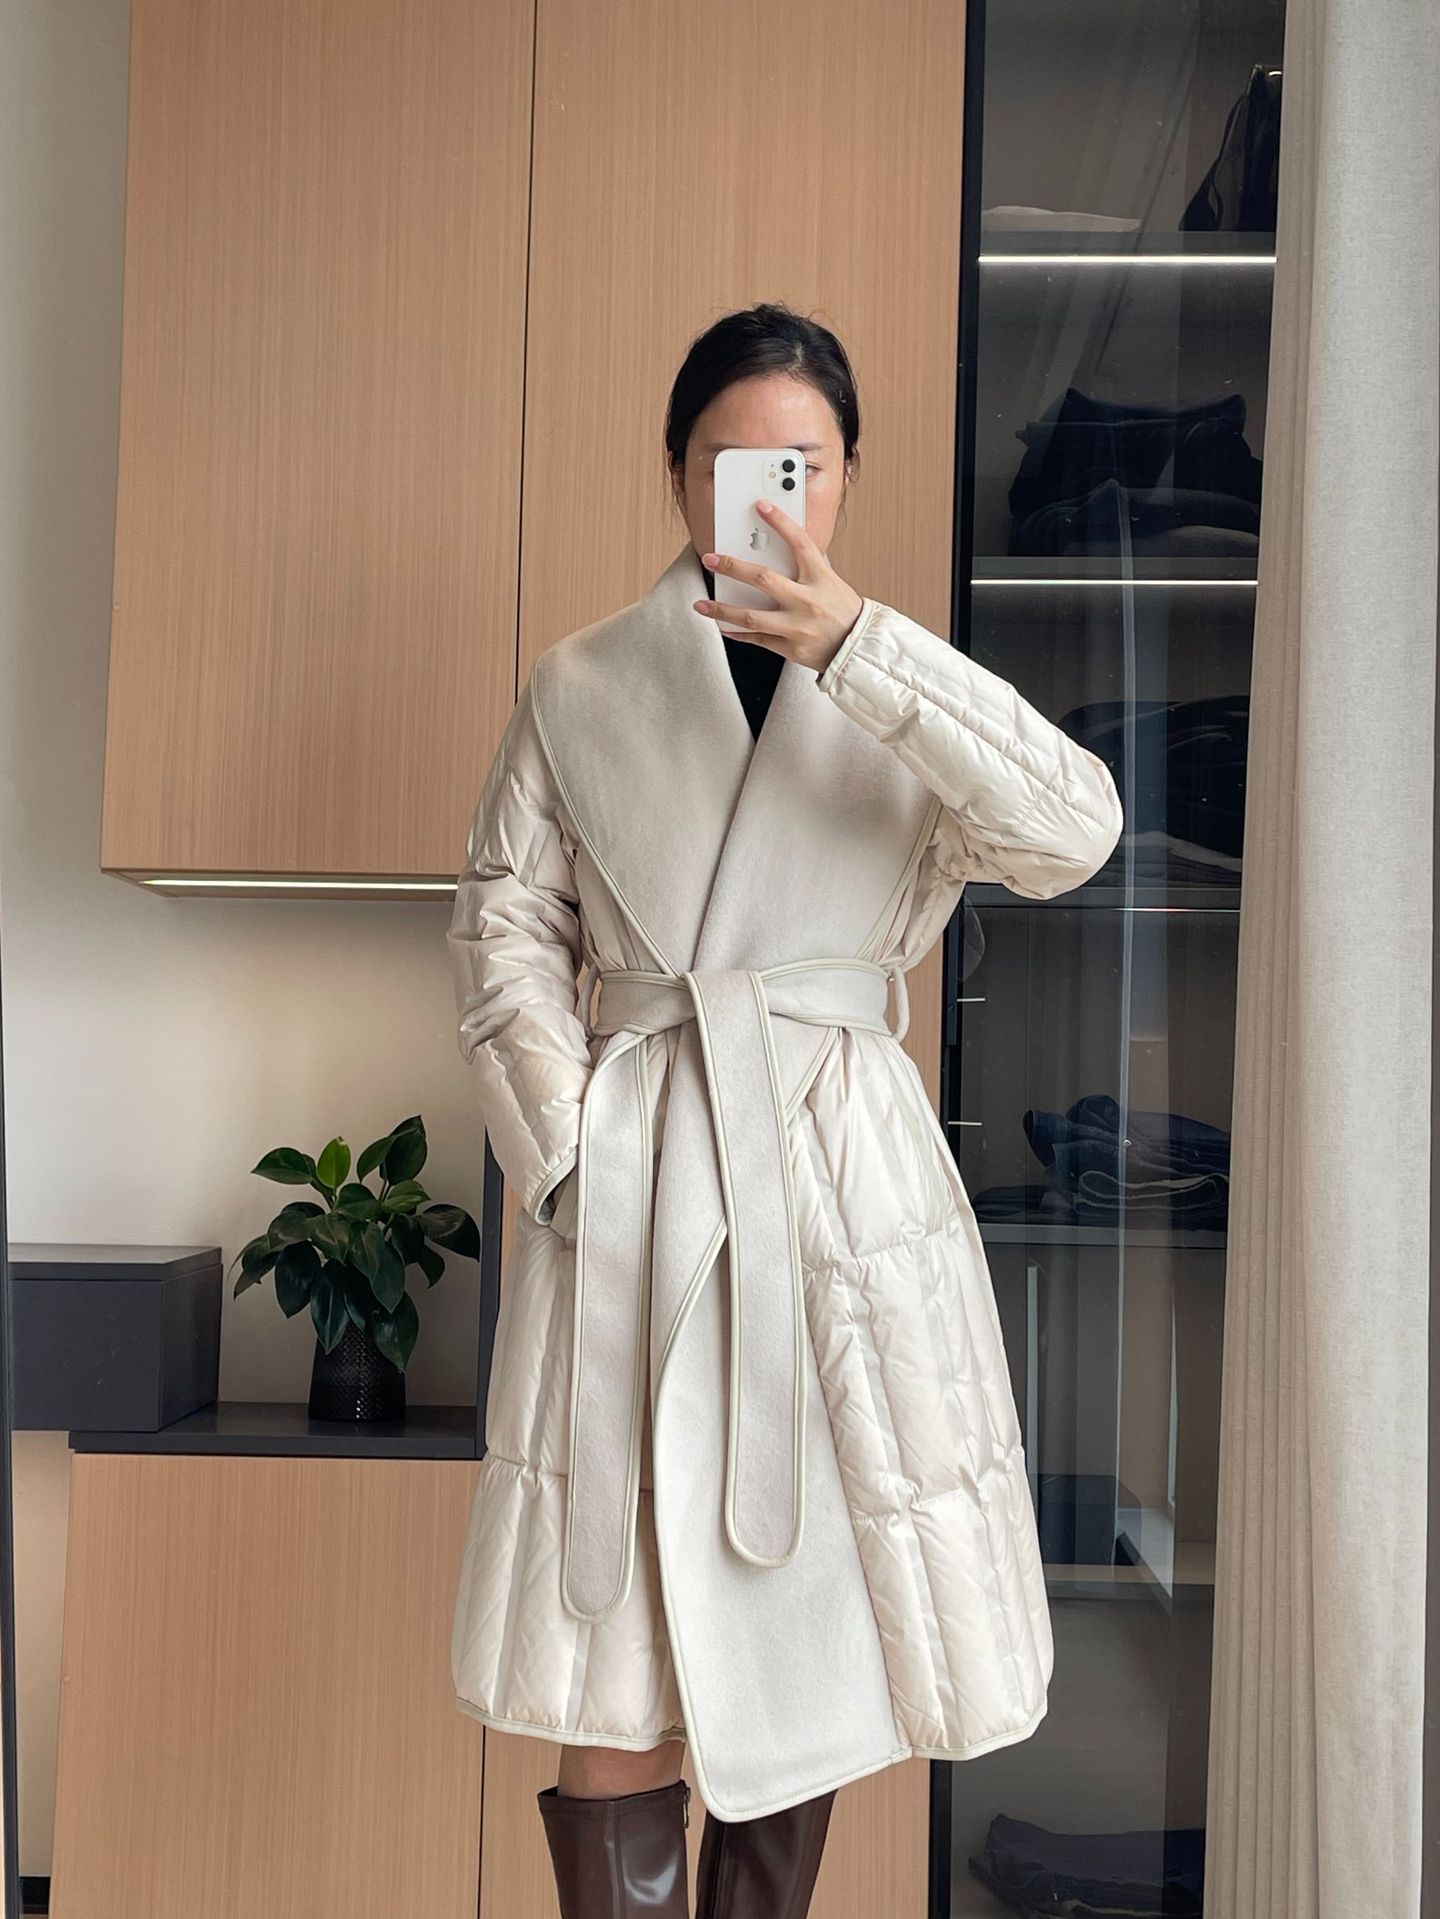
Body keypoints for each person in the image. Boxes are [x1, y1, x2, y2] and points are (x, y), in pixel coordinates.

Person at [446, 303, 1125, 1918]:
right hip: (638, 1175)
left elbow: (1075, 831)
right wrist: (572, 1158)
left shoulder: (903, 690)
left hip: (834, 1182)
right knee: (612, 1668)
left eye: (802, 466)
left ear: (847, 478)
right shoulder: (581, 685)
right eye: (731, 461)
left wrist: (860, 653)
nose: (767, 496)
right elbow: (499, 934)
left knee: (806, 1631)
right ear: (678, 474)